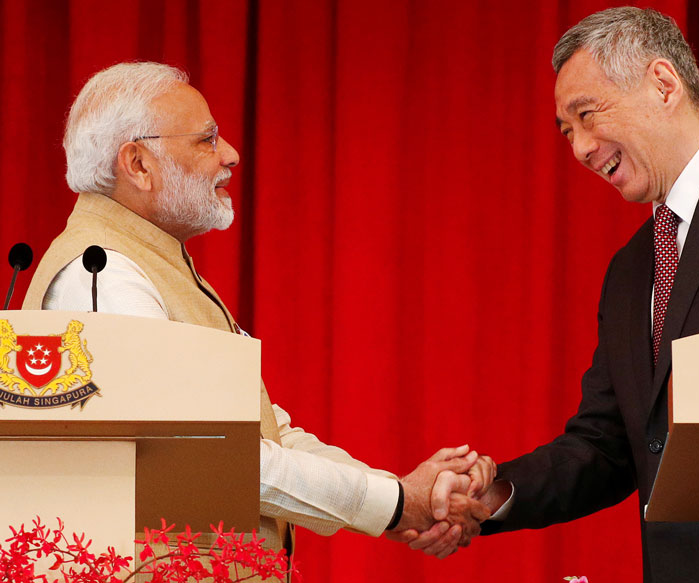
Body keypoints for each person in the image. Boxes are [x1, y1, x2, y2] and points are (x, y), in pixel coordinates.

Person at [399, 6, 699, 581]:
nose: (578, 148)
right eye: (566, 131)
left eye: (586, 114)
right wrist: (491, 494)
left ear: (663, 84)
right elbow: (605, 446)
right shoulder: (631, 268)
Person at [23, 61, 493, 562]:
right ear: (138, 164)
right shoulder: (105, 274)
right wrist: (398, 504)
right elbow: (208, 454)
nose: (231, 155)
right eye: (207, 139)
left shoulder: (147, 260)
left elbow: (267, 432)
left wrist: (396, 494)